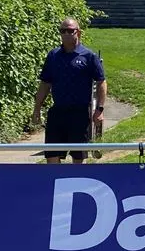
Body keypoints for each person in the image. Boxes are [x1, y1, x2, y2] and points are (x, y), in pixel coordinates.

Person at [32, 17, 107, 164]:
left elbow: (101, 82)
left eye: (70, 31)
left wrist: (100, 109)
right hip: (57, 112)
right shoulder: (53, 56)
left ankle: (77, 185)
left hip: (79, 114)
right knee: (52, 156)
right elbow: (45, 84)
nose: (66, 34)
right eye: (63, 31)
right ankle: (56, 183)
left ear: (78, 33)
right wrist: (37, 108)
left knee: (78, 158)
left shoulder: (88, 56)